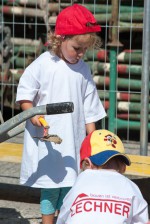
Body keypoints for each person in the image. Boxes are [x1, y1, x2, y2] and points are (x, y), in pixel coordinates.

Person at [16, 4, 106, 224]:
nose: (82, 53)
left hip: (73, 142)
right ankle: (48, 222)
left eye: (85, 49)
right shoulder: (43, 65)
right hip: (49, 140)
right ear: (60, 38)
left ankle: (65, 220)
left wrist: (90, 141)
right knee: (50, 187)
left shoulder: (83, 70)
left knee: (71, 186)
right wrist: (32, 114)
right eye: (77, 47)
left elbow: (90, 108)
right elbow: (25, 95)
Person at [56, 129, 149, 224]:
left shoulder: (82, 181)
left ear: (88, 163)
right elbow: (143, 220)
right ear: (124, 167)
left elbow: (62, 218)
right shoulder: (130, 186)